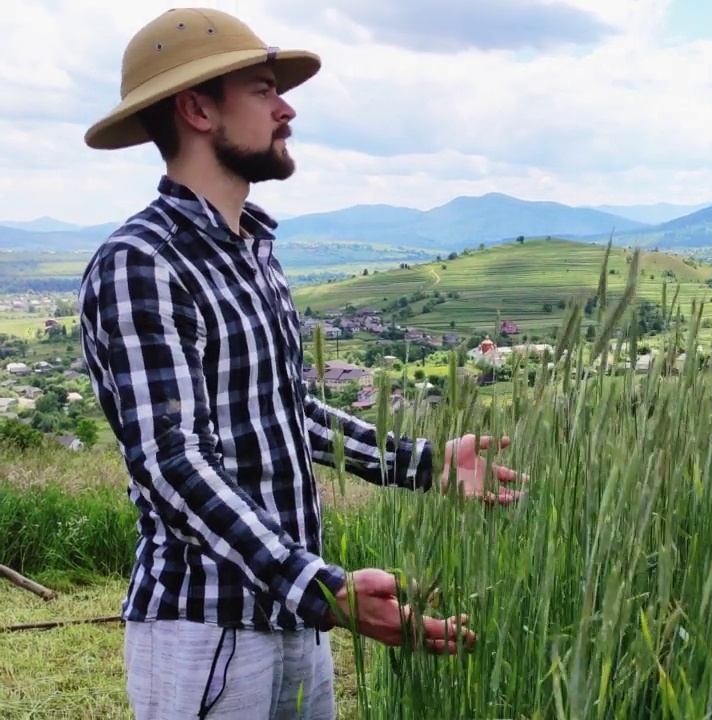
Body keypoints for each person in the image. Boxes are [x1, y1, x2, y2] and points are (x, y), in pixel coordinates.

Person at [76, 8, 527, 718]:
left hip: (295, 615)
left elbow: (282, 412)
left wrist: (423, 464)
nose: (287, 109)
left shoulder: (252, 253)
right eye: (262, 90)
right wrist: (326, 590)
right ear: (197, 109)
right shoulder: (142, 262)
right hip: (209, 629)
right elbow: (173, 462)